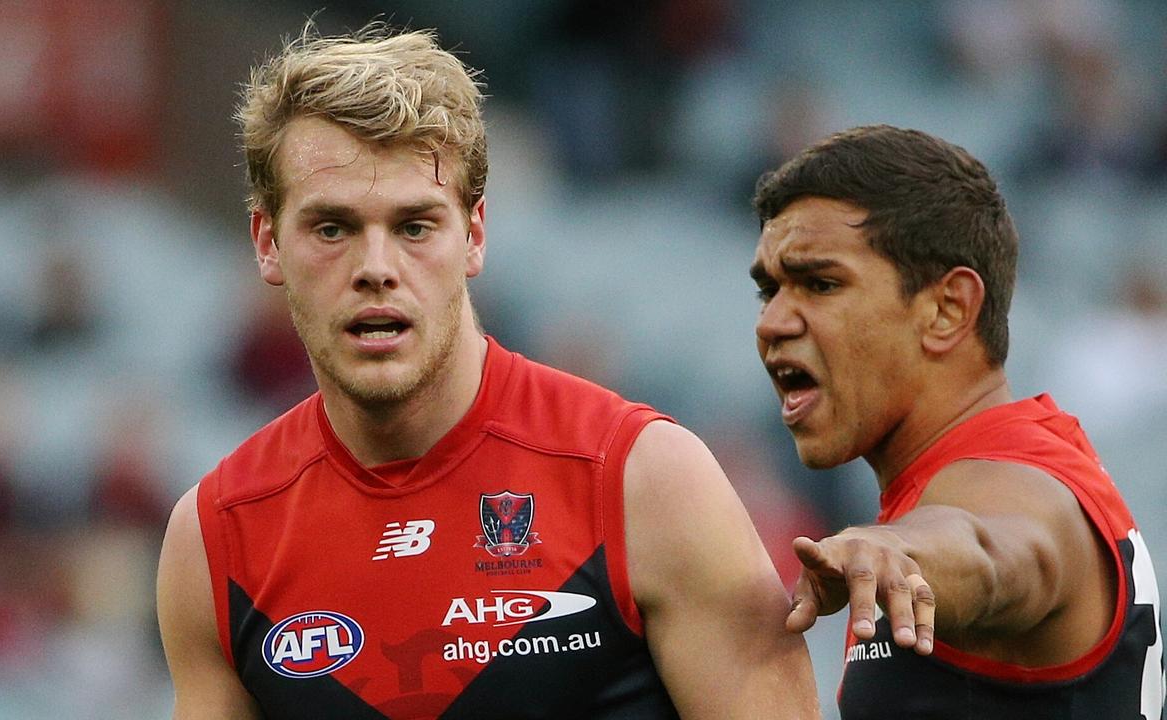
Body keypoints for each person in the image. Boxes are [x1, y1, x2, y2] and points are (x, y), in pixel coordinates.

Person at [156, 23, 820, 720]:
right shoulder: (216, 538)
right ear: (267, 243)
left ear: (474, 235)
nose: (376, 268)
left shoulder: (642, 480)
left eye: (415, 226)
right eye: (332, 229)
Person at [748, 124, 1165, 719]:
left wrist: (899, 549)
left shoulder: (1013, 483)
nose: (773, 322)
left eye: (821, 283)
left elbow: (989, 550)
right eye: (769, 290)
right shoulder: (1004, 461)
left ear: (948, 309)